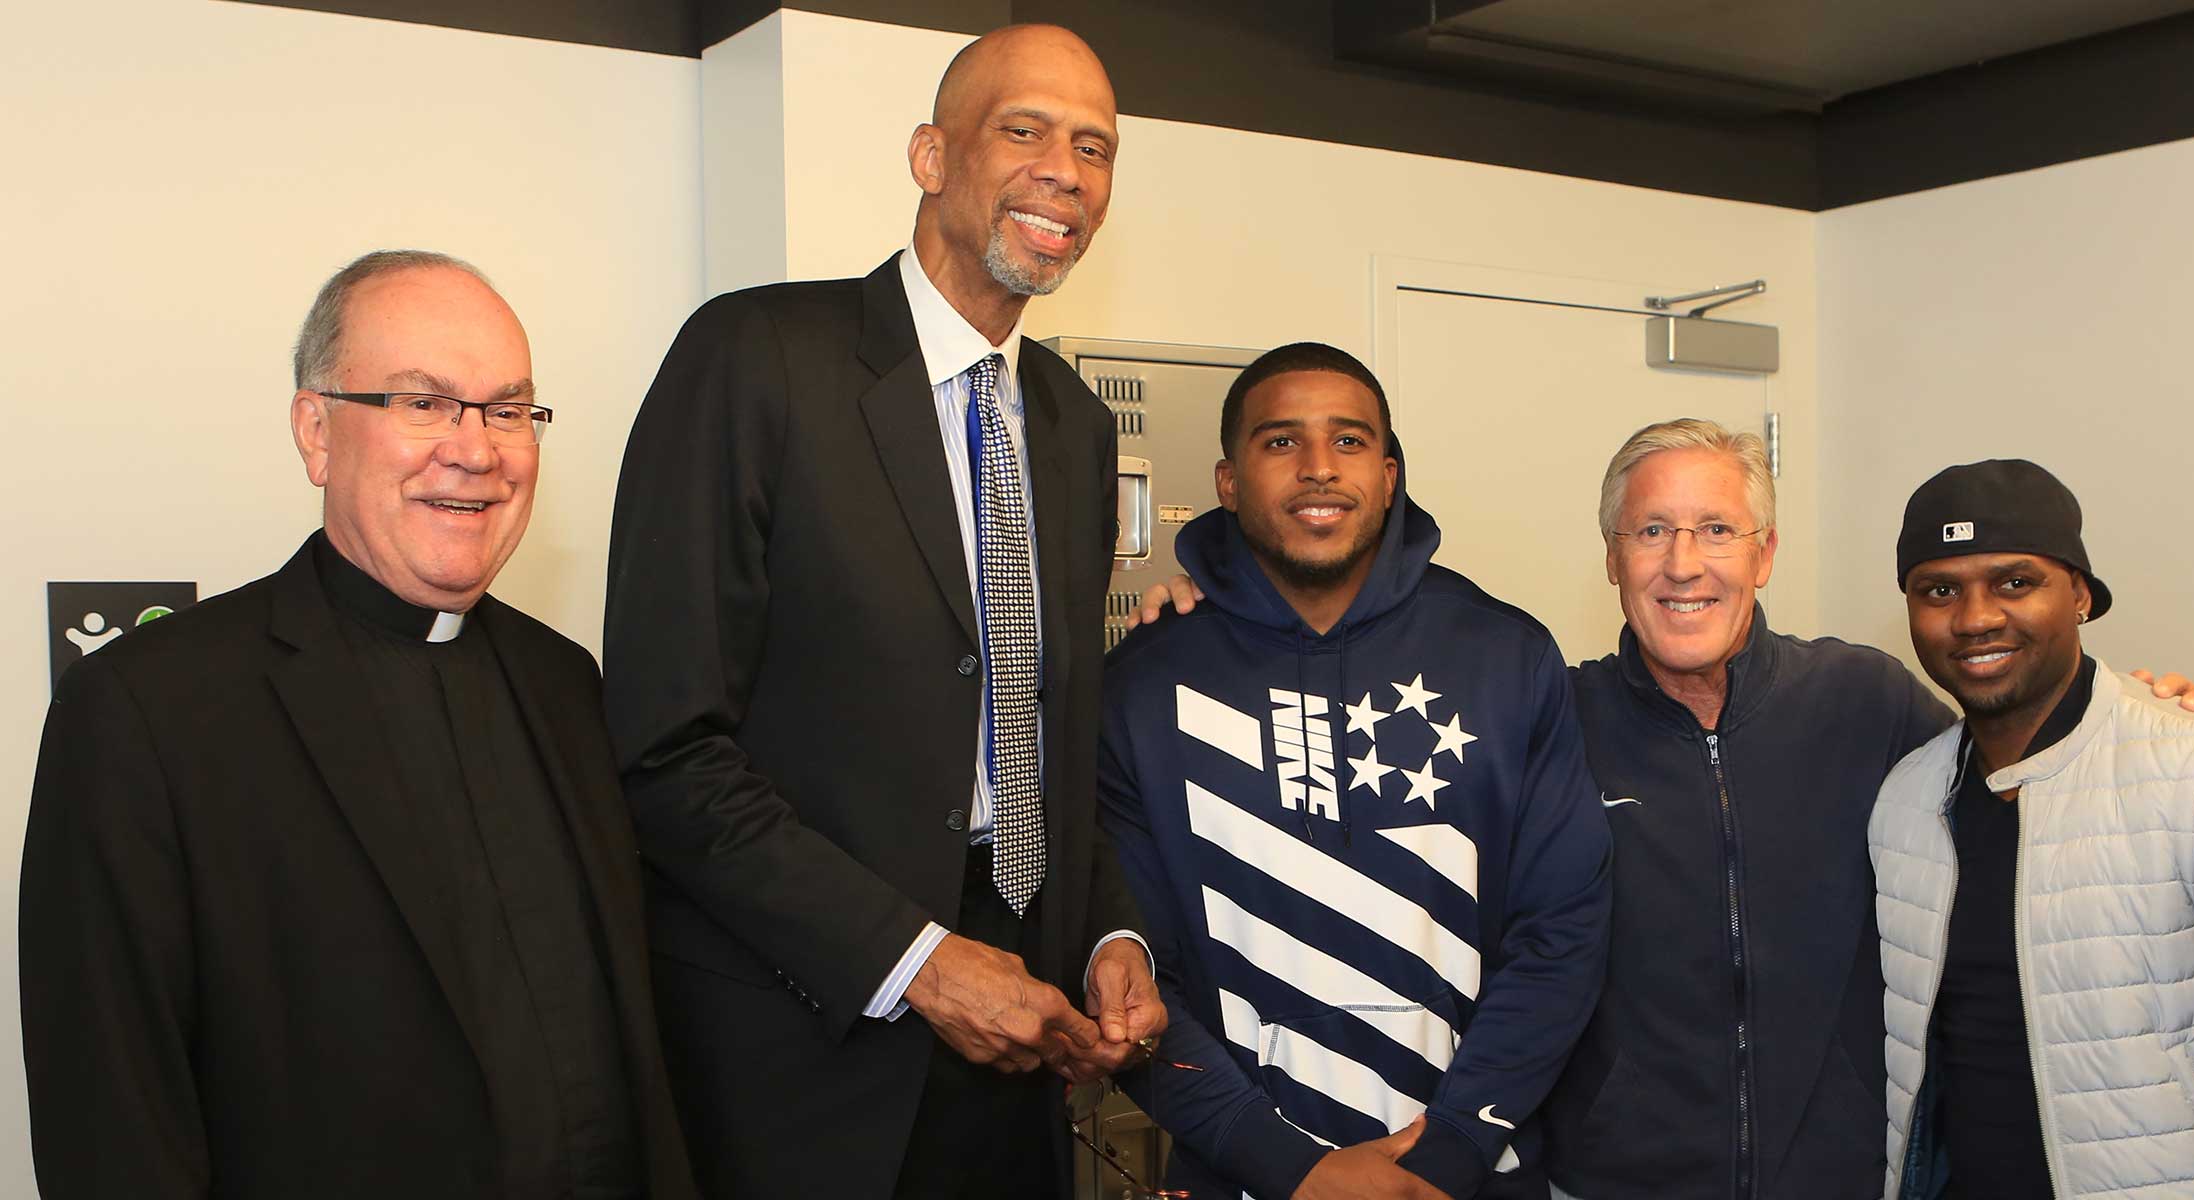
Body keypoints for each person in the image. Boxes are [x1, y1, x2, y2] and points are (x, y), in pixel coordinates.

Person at [1140, 418, 2194, 1199]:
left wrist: (2139, 712)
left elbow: (2013, 749)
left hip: (1841, 1180)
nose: (1683, 565)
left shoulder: (1860, 700)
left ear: (1763, 553)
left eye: (1715, 530)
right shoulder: (1548, 717)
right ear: (1612, 559)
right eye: (1652, 533)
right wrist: (1206, 607)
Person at [603, 23, 1163, 1200]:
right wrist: (918, 963)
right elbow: (665, 749)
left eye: (1095, 147)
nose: (1066, 169)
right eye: (1024, 130)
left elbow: (1044, 738)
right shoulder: (757, 356)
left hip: (1018, 1037)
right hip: (802, 1047)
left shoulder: (1071, 426)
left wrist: (1111, 935)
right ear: (929, 156)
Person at [20, 250, 696, 1199]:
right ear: (316, 432)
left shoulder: (567, 683)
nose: (475, 448)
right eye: (422, 403)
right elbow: (112, 1121)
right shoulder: (148, 711)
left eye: (508, 409)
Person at [1099, 343, 1611, 1200]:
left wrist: (1452, 1148)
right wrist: (1286, 1168)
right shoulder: (1145, 681)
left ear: (1388, 472)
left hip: (1470, 1175)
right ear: (1228, 482)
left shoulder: (1506, 655)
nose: (1317, 470)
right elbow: (1127, 964)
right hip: (1239, 1175)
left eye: (1348, 441)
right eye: (1279, 442)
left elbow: (1564, 932)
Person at [1872, 459, 2194, 1199]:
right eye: (1939, 590)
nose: (1976, 617)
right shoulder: (1904, 802)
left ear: (2079, 594)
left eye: (2014, 582)